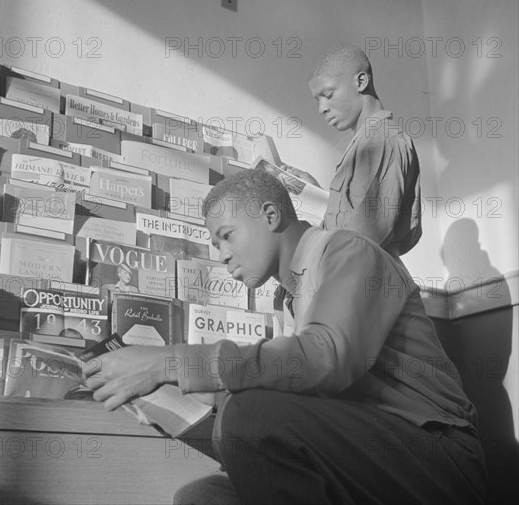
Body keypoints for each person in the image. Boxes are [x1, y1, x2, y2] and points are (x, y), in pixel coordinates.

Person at [84, 169, 486, 505]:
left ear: (271, 215)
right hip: (361, 452)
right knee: (202, 497)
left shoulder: (349, 252)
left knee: (250, 414)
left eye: (226, 235)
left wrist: (170, 361)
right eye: (214, 243)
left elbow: (327, 357)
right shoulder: (288, 298)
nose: (221, 254)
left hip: (438, 455)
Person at [283, 43, 422, 257]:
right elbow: (352, 222)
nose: (322, 108)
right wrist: (320, 197)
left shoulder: (382, 139)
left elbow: (365, 236)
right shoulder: (365, 141)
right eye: (317, 100)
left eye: (328, 95)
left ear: (361, 81)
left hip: (363, 280)